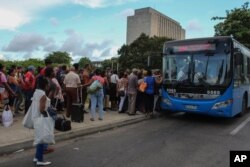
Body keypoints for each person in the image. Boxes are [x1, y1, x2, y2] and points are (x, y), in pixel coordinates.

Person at [31, 76, 53, 166]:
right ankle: (39, 160)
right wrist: (48, 115)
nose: (49, 85)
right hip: (41, 118)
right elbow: (42, 109)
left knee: (38, 138)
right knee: (41, 140)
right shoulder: (43, 95)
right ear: (45, 85)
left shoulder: (36, 92)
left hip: (35, 117)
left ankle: (36, 157)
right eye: (48, 84)